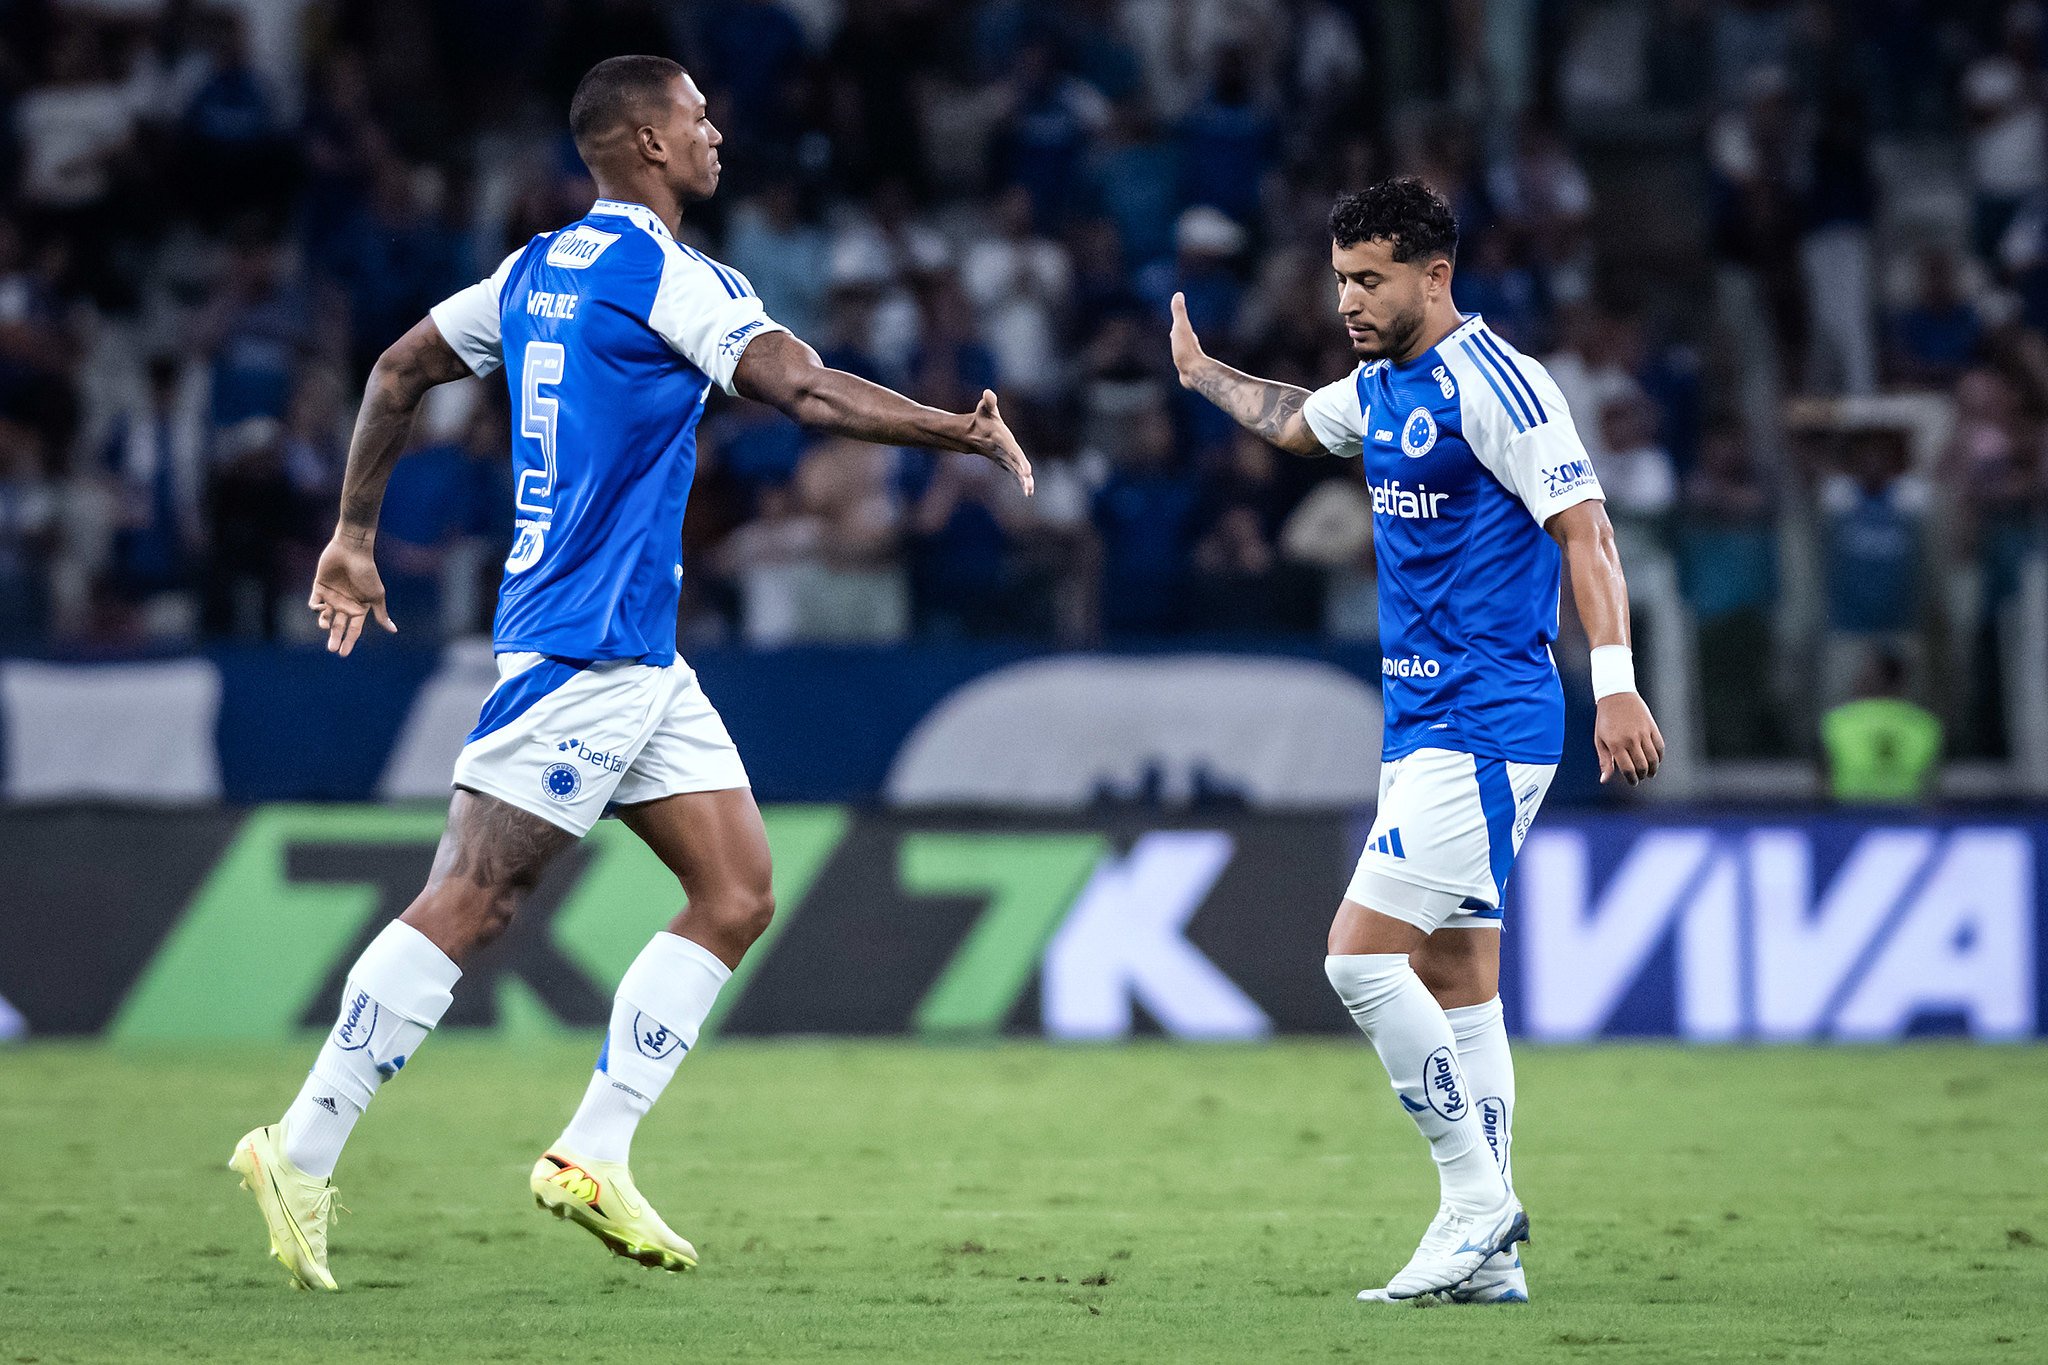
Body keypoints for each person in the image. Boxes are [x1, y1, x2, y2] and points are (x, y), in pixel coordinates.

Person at [228, 55, 1031, 1293]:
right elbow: (802, 388)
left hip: (637, 658)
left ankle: (594, 1152)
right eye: (699, 117)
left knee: (739, 890)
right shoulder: (672, 275)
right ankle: (298, 1147)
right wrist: (957, 430)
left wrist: (350, 535)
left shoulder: (534, 268)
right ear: (648, 144)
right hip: (581, 649)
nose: (717, 134)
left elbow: (395, 371)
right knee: (474, 899)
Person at [1170, 177, 1663, 1304]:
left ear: (1433, 277)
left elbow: (1585, 534)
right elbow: (1299, 423)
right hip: (1426, 727)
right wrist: (1202, 378)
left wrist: (1617, 688)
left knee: (1355, 957)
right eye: (1338, 278)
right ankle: (1488, 1261)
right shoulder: (1381, 385)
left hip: (1488, 725)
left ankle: (1475, 1202)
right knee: (1454, 977)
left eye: (1368, 279)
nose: (1345, 299)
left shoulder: (1499, 383)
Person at [1821, 649, 1942, 804]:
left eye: (1864, 673)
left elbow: (1823, 782)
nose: (1857, 678)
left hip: (1849, 815)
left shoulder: (1837, 722)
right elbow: (1933, 783)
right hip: (1909, 816)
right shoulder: (1926, 725)